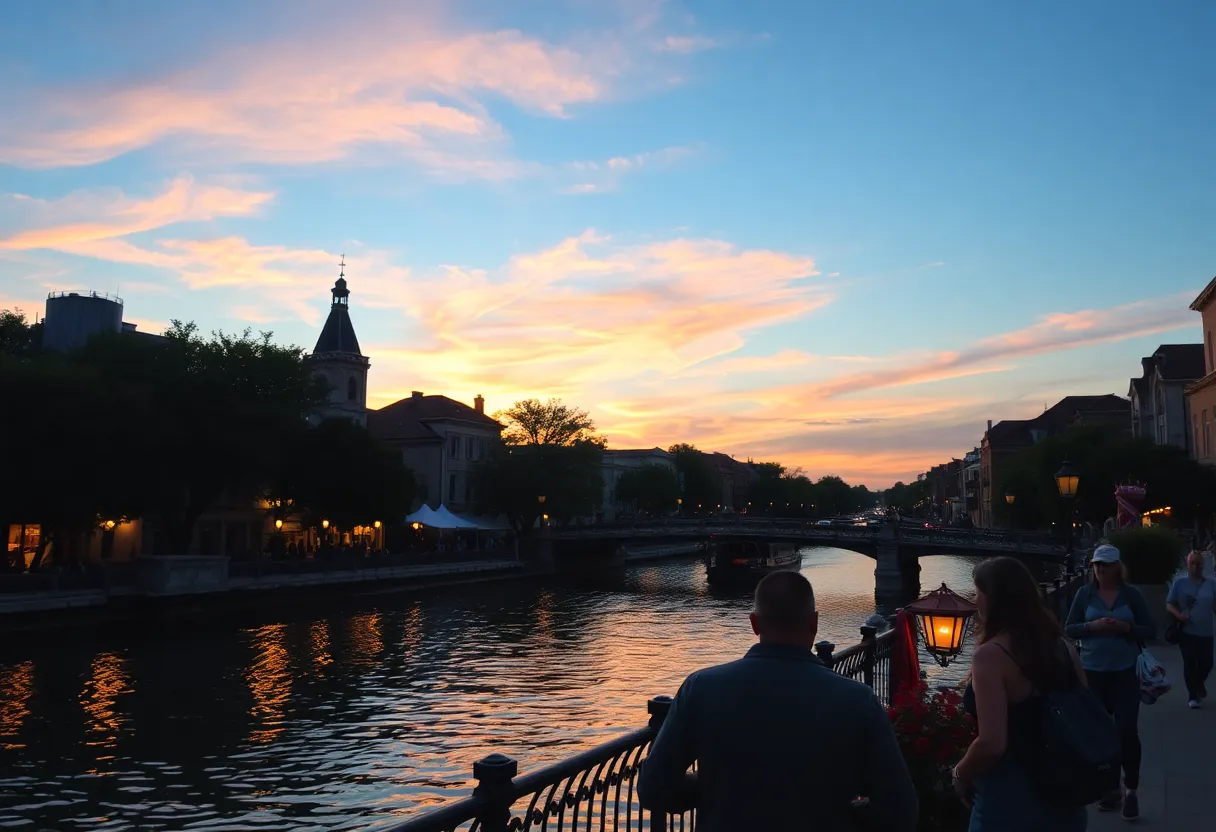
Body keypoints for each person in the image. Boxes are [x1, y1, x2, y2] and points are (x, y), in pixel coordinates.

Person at [637, 571, 917, 832]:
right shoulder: (858, 701)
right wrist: (841, 813)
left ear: (754, 624)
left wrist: (714, 787)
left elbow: (654, 788)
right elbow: (900, 810)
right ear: (814, 623)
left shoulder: (700, 688)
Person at [952, 557, 1087, 831]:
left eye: (978, 593)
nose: (975, 600)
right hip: (1065, 794)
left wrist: (960, 773)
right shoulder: (1063, 647)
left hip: (1009, 797)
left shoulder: (991, 656)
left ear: (996, 599)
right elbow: (1085, 713)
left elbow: (992, 743)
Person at [1064, 544, 1155, 820]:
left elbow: (1149, 629)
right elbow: (1069, 628)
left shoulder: (1131, 595)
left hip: (1125, 671)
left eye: (1106, 565)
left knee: (1126, 729)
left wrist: (1127, 629)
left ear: (1117, 567)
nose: (1101, 570)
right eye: (1097, 565)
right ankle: (1109, 787)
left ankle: (1131, 789)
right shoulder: (1085, 594)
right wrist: (1093, 628)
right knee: (1101, 731)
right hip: (1092, 672)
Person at [1167, 550, 1216, 709]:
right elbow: (1169, 603)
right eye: (1193, 563)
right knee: (1190, 663)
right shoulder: (1180, 583)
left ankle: (1199, 682)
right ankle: (1193, 695)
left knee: (1207, 662)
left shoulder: (1211, 584)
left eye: (1199, 563)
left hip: (1206, 630)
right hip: (1187, 631)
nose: (1196, 567)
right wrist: (1179, 615)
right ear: (1188, 565)